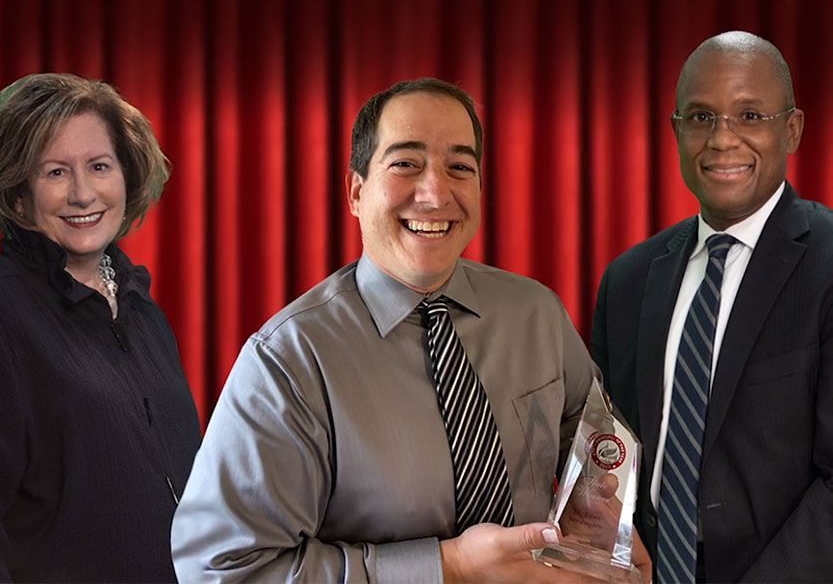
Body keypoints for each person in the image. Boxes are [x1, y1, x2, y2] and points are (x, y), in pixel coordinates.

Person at [171, 77, 651, 582]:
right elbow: (219, 569)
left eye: (460, 168)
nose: (435, 192)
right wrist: (450, 567)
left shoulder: (536, 314)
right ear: (356, 191)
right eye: (406, 163)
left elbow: (594, 435)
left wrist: (605, 527)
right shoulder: (288, 361)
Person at [592, 30, 833, 582]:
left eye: (750, 116)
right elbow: (611, 457)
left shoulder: (826, 263)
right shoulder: (627, 281)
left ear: (792, 130)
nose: (722, 139)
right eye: (701, 118)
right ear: (676, 132)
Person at [0, 73, 202, 582]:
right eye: (55, 172)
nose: (83, 194)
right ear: (17, 196)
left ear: (125, 177)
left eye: (99, 167)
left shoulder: (143, 310)